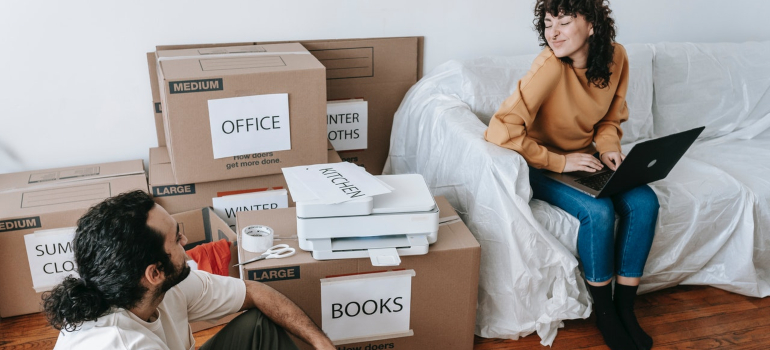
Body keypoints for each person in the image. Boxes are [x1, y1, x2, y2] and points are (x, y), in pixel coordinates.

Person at [485, 0, 658, 349]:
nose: (553, 32)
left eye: (564, 21)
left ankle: (626, 306)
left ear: (592, 25)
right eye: (548, 23)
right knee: (598, 211)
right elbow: (500, 130)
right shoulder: (550, 66)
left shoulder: (616, 56)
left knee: (645, 202)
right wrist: (561, 163)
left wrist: (609, 147)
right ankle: (605, 312)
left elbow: (610, 118)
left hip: (586, 158)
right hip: (543, 163)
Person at [43, 190, 335, 350]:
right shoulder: (123, 344)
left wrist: (321, 343)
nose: (185, 241)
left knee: (257, 325)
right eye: (177, 237)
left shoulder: (165, 285)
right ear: (154, 273)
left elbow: (255, 293)